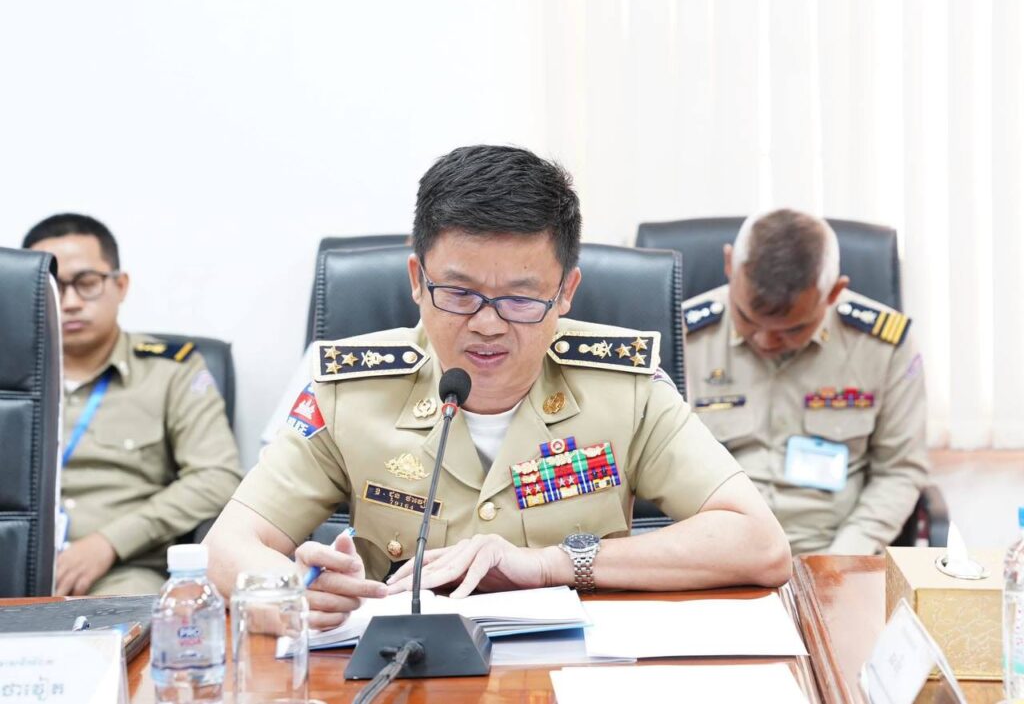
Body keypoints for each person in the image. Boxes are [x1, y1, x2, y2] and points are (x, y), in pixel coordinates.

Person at [205, 146, 790, 629]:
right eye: (459, 293)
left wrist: (553, 564)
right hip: (403, 670)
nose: (487, 323)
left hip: (575, 673)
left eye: (521, 298)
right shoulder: (349, 390)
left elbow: (759, 543)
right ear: (417, 280)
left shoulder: (626, 387)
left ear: (566, 292)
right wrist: (291, 592)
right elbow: (225, 547)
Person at [681, 209, 929, 555]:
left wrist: (841, 561)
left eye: (792, 329)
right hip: (711, 552)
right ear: (729, 265)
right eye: (748, 319)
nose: (766, 341)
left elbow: (898, 470)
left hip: (832, 550)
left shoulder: (883, 346)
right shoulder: (681, 337)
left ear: (834, 292)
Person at [23, 214, 243, 595]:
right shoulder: (10, 377)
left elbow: (217, 477)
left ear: (120, 285)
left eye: (86, 283)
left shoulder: (172, 371)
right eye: (53, 288)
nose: (70, 302)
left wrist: (110, 542)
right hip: (14, 566)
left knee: (131, 621)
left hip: (120, 573)